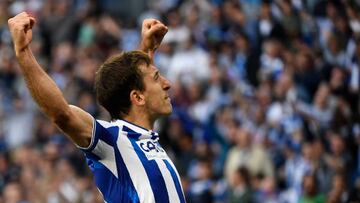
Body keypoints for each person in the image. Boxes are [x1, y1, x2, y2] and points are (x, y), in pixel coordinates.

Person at [7, 12, 185, 203]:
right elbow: (62, 114)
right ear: (137, 97)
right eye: (158, 78)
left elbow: (134, 85)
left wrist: (146, 51)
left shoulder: (146, 141)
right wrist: (23, 52)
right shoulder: (112, 140)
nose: (167, 84)